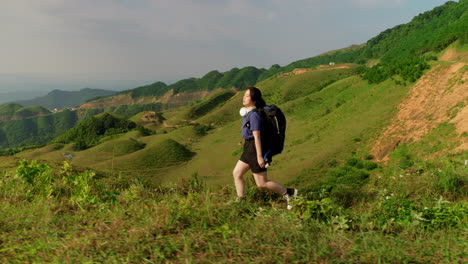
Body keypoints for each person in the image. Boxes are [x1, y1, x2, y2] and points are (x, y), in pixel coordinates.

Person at [232, 87, 297, 209]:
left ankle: (289, 193)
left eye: (247, 96)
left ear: (254, 99)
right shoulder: (249, 113)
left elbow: (257, 137)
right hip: (248, 148)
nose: (244, 97)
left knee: (262, 183)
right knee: (237, 173)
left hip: (255, 149)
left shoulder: (255, 115)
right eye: (244, 95)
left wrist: (260, 157)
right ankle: (241, 200)